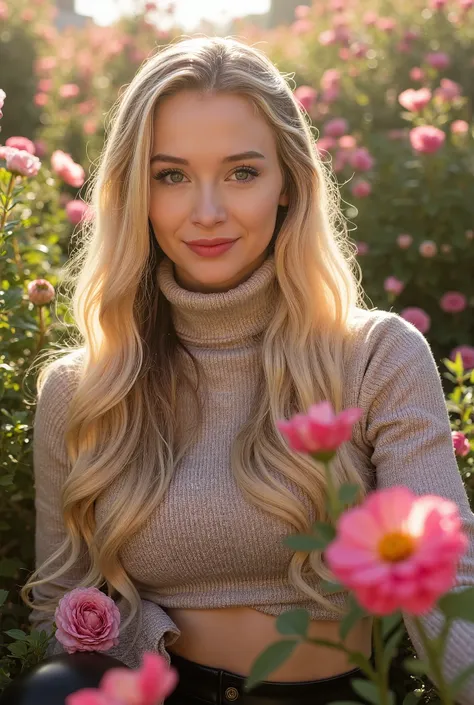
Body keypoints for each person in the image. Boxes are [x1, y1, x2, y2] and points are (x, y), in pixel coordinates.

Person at [21, 36, 474, 705]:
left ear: (288, 181)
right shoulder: (84, 388)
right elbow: (60, 613)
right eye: (170, 175)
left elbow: (448, 582)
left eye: (241, 173)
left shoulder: (376, 356)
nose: (207, 211)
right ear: (135, 191)